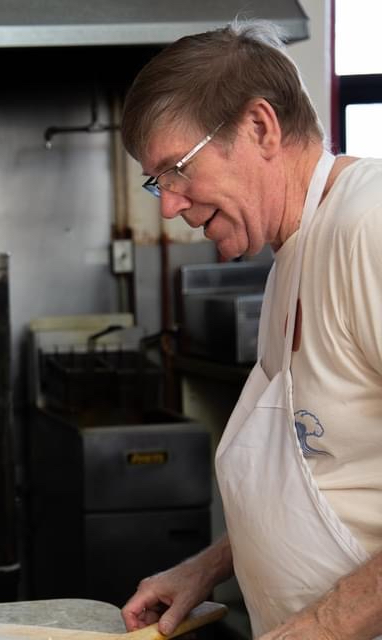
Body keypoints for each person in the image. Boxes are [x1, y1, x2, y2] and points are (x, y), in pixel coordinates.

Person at [118, 19, 382, 639]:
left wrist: (314, 629)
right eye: (159, 180)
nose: (169, 205)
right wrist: (206, 567)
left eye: (176, 169)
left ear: (260, 127)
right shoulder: (292, 253)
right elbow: (330, 473)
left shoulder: (367, 228)